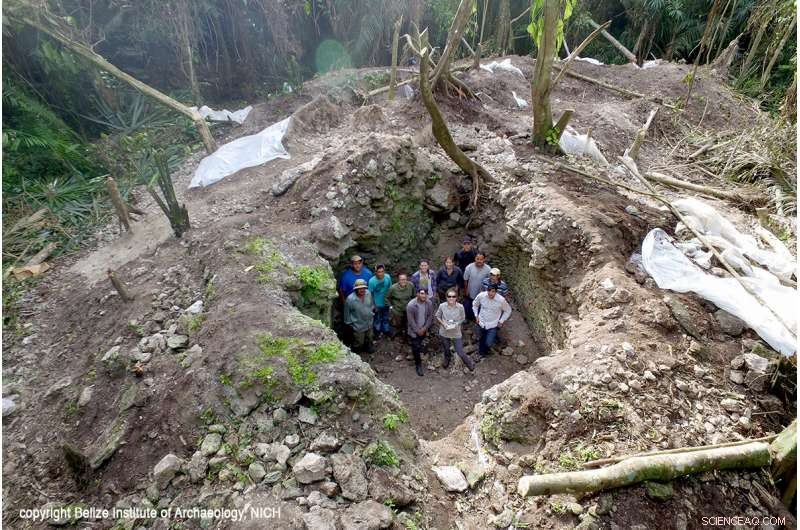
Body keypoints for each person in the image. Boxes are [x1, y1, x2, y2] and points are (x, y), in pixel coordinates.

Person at [435, 289, 475, 371]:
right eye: (449, 296)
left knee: (459, 351)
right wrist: (443, 324)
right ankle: (447, 359)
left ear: (456, 297)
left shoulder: (460, 307)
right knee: (446, 348)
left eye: (453, 296)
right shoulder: (442, 306)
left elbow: (463, 318)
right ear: (446, 297)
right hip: (444, 331)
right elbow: (437, 316)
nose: (451, 298)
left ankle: (469, 362)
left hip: (456, 332)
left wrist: (457, 324)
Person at [473, 284, 512, 358]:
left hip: (492, 325)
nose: (490, 293)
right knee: (481, 337)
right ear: (487, 290)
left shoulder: (501, 300)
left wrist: (501, 321)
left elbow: (508, 310)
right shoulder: (481, 296)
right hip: (481, 322)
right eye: (489, 291)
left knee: (488, 342)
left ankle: (488, 347)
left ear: (496, 292)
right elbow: (475, 305)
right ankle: (481, 353)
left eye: (493, 291)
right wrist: (476, 315)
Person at [406, 288, 434, 376]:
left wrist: (425, 328)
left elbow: (430, 316)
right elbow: (411, 321)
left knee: (421, 342)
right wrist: (418, 331)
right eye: (422, 293)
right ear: (417, 294)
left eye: (425, 294)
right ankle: (418, 364)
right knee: (416, 347)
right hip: (414, 330)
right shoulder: (411, 305)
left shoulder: (429, 303)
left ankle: (421, 351)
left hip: (424, 328)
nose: (424, 295)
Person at [344, 279, 375, 354]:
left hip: (369, 322)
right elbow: (347, 313)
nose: (362, 290)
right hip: (358, 324)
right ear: (356, 289)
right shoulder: (350, 299)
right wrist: (349, 323)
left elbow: (371, 304)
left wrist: (371, 312)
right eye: (360, 288)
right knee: (359, 341)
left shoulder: (368, 293)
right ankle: (356, 351)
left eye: (363, 288)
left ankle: (368, 347)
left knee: (369, 337)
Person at [463, 252, 491, 322]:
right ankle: (467, 317)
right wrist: (466, 290)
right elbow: (465, 279)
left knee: (479, 306)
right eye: (477, 259)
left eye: (481, 259)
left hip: (481, 293)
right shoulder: (469, 267)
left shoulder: (488, 269)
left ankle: (477, 319)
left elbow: (489, 282)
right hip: (470, 291)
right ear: (475, 259)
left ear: (484, 260)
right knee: (468, 307)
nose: (479, 261)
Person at [386, 273, 415, 338]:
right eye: (401, 280)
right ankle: (398, 333)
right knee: (398, 324)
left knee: (408, 323)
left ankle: (407, 336)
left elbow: (414, 296)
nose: (403, 281)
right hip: (397, 309)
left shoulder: (411, 285)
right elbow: (387, 298)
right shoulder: (393, 288)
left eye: (405, 279)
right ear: (398, 280)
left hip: (408, 309)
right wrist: (390, 307)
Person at [368, 264, 392, 338]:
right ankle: (377, 332)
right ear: (375, 272)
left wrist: (390, 303)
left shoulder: (387, 277)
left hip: (386, 303)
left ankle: (386, 331)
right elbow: (370, 294)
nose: (381, 274)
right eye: (379, 272)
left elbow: (390, 290)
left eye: (382, 271)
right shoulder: (372, 281)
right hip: (377, 304)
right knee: (377, 319)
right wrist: (374, 306)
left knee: (386, 317)